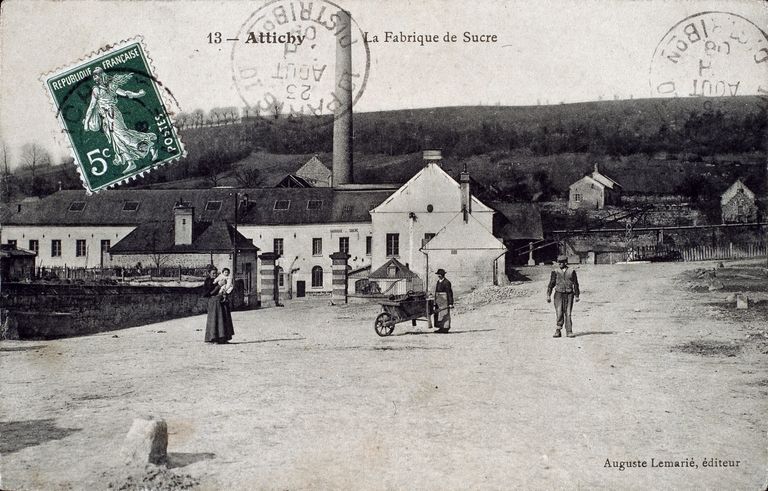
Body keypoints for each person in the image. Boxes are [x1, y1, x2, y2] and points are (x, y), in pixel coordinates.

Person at [83, 67, 158, 174]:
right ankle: (130, 162)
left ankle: (150, 145)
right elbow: (91, 106)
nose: (95, 78)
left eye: (96, 75)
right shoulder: (96, 89)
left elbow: (125, 93)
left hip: (113, 114)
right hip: (106, 118)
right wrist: (86, 121)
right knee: (117, 140)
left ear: (101, 75)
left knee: (123, 136)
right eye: (94, 76)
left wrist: (138, 94)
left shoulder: (110, 86)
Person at [546, 255, 580, 338]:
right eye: (559, 262)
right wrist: (548, 295)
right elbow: (551, 283)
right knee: (559, 312)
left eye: (561, 262)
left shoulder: (572, 271)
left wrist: (577, 295)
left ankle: (569, 331)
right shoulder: (555, 271)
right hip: (558, 294)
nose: (560, 264)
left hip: (569, 294)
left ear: (565, 262)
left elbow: (575, 283)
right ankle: (558, 330)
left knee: (568, 313)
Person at [203, 266, 234, 344]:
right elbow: (209, 293)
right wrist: (219, 285)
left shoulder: (220, 278)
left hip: (222, 302)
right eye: (213, 273)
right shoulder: (208, 281)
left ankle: (223, 339)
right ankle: (213, 339)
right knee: (215, 320)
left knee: (224, 320)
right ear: (209, 273)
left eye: (216, 273)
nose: (215, 275)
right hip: (214, 303)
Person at [433, 268, 454, 333]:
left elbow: (449, 293)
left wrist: (450, 303)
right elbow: (436, 292)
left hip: (445, 300)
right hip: (438, 300)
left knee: (445, 314)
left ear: (443, 275)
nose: (439, 276)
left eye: (440, 275)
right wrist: (435, 301)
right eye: (438, 275)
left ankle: (445, 328)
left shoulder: (447, 282)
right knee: (438, 314)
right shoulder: (438, 282)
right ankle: (440, 328)